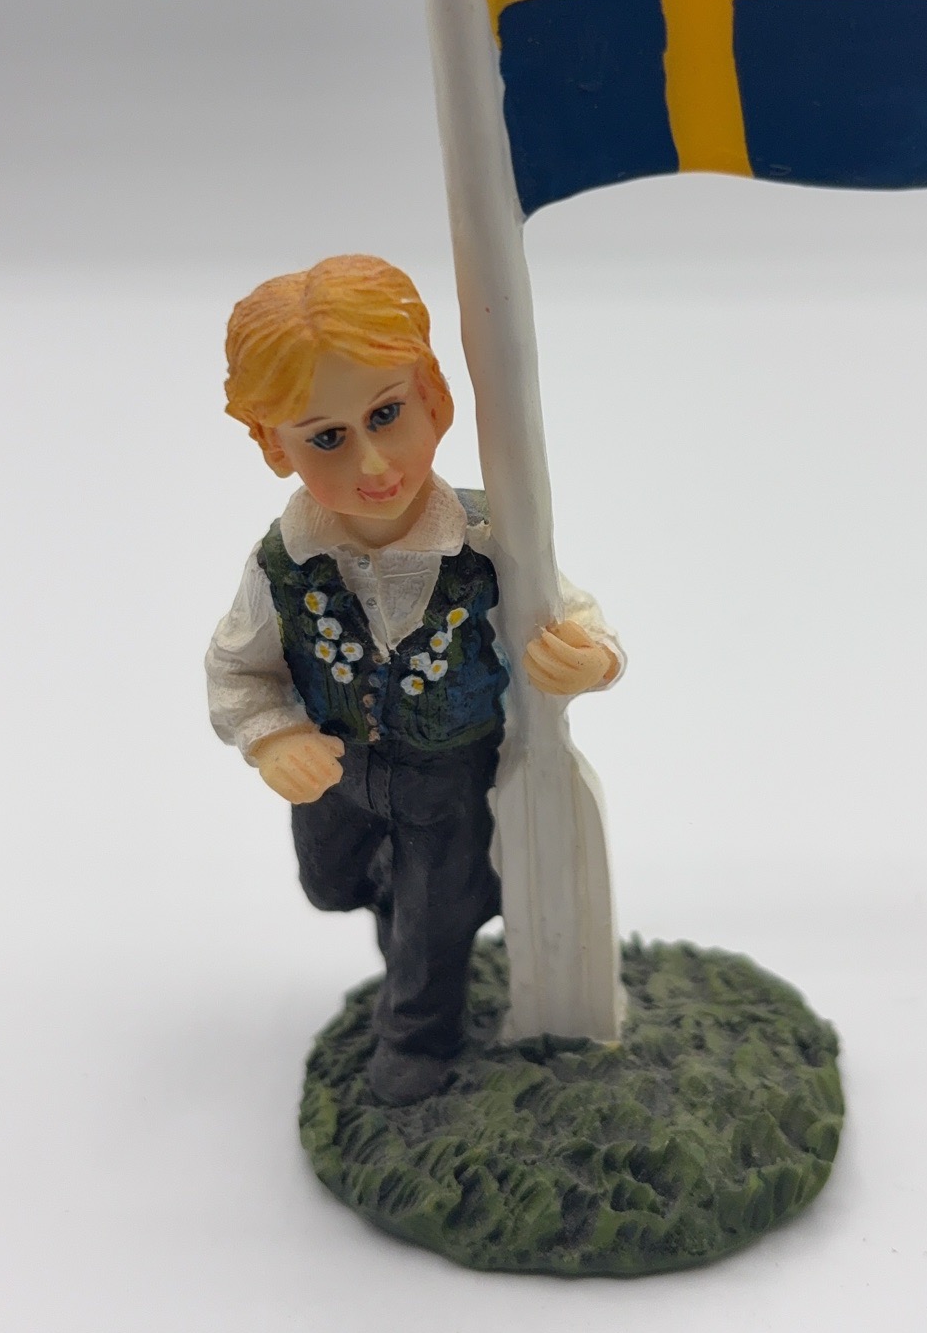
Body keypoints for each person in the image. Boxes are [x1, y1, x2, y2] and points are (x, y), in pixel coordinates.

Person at [206, 254, 622, 1104]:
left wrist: (589, 656)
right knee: (333, 886)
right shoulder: (282, 562)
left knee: (437, 911)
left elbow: (574, 613)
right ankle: (405, 935)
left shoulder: (492, 538)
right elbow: (238, 667)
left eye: (386, 414)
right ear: (273, 446)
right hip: (338, 774)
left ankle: (417, 1034)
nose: (371, 464)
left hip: (447, 777)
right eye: (327, 437)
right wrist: (273, 738)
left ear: (432, 396)